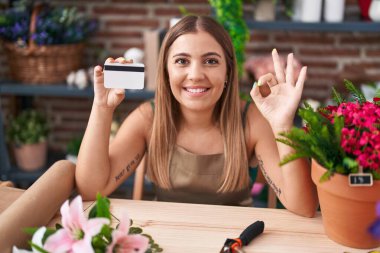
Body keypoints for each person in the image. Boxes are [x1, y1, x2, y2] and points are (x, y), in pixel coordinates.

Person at [75, 15, 318, 216]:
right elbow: (90, 189)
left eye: (211, 61)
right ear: (166, 71)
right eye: (182, 61)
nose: (195, 74)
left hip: (236, 240)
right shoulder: (148, 118)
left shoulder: (251, 120)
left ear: (227, 72)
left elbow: (304, 207)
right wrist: (102, 108)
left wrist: (283, 125)